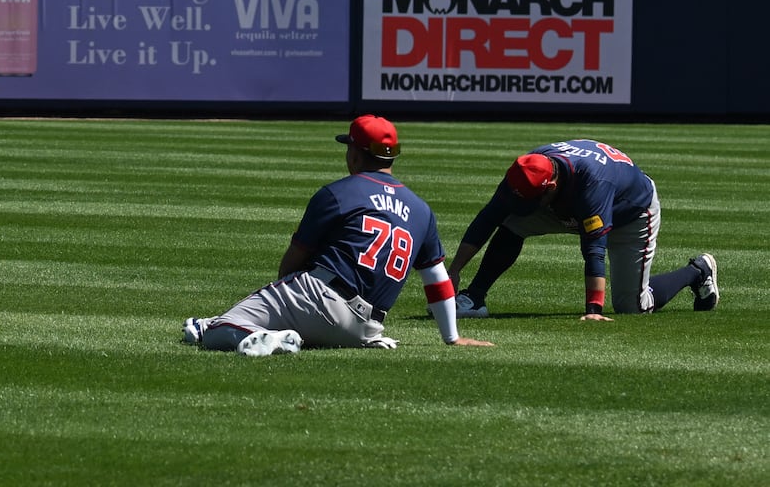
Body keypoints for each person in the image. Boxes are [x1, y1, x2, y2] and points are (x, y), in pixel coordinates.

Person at [183, 116, 493, 355]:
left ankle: (262, 336)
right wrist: (452, 337)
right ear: (392, 157)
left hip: (318, 300)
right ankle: (283, 331)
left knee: (217, 330)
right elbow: (437, 279)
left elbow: (292, 263)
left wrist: (284, 299)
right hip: (366, 330)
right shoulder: (422, 210)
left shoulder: (339, 193)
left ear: (357, 155)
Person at [445, 141, 720, 320]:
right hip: (567, 205)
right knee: (512, 222)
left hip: (631, 212)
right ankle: (474, 297)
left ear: (550, 187)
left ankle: (697, 271)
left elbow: (594, 248)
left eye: (528, 199)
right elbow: (488, 217)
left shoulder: (592, 184)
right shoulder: (528, 168)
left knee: (633, 306)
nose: (522, 203)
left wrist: (594, 309)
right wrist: (454, 270)